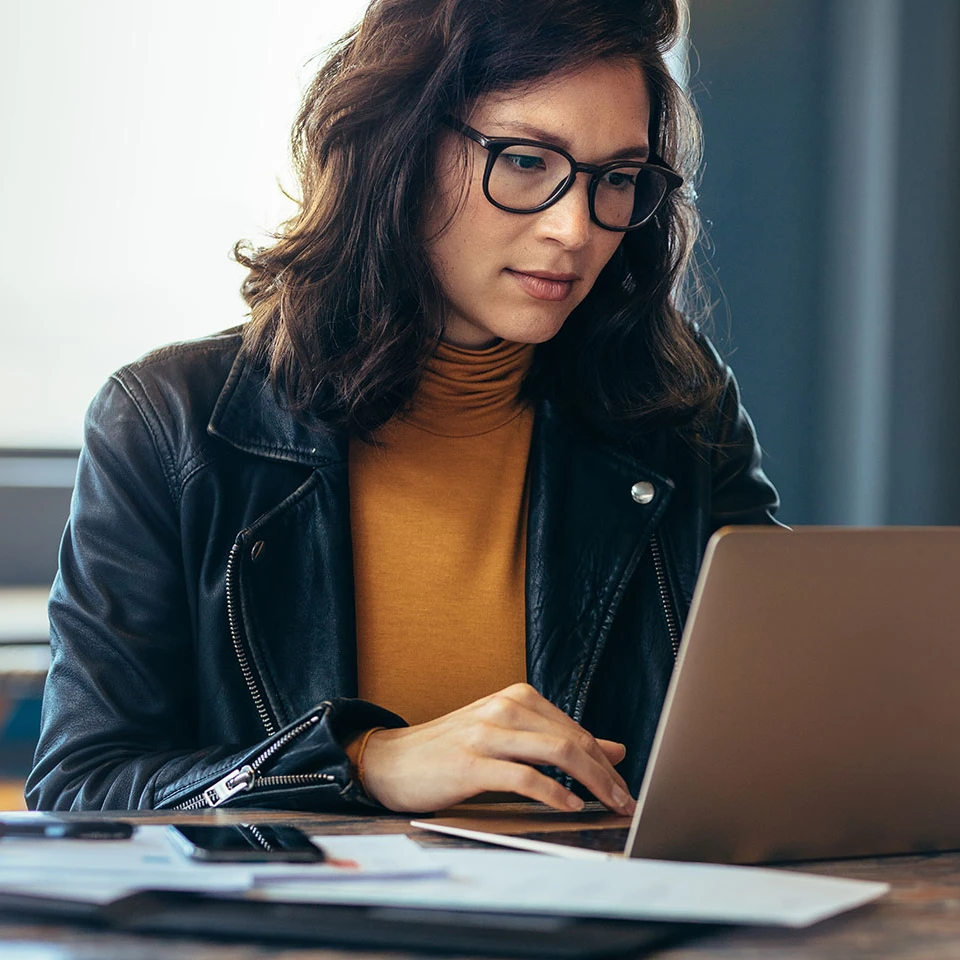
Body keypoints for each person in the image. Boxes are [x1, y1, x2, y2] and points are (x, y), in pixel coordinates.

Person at [26, 0, 778, 815]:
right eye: (527, 161)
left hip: (609, 928)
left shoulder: (677, 410)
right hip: (305, 938)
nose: (576, 228)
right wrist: (365, 762)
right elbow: (82, 790)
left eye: (619, 179)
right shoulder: (169, 422)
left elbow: (788, 724)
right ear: (400, 148)